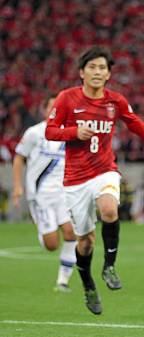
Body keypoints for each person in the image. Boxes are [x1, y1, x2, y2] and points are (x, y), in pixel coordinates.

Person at [45, 46, 144, 315]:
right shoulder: (67, 99)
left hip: (104, 171)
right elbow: (50, 131)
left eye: (102, 68)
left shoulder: (115, 102)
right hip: (75, 180)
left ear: (109, 73)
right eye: (92, 67)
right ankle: (88, 282)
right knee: (85, 241)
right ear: (82, 72)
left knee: (110, 209)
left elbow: (135, 123)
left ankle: (109, 266)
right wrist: (74, 131)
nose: (98, 72)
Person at [12, 95, 77, 292]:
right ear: (45, 110)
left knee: (71, 232)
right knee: (51, 245)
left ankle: (62, 282)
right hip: (40, 196)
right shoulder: (35, 133)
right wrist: (17, 186)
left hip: (64, 194)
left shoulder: (71, 134)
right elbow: (18, 158)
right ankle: (43, 227)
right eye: (52, 107)